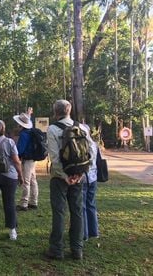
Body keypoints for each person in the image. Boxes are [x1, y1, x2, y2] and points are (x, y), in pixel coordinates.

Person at [45, 99, 94, 260]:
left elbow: (54, 157)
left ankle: (56, 250)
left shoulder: (52, 129)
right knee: (77, 212)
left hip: (59, 177)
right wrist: (79, 175)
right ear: (69, 110)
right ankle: (77, 249)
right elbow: (91, 153)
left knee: (59, 212)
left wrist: (65, 176)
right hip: (78, 176)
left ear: (55, 112)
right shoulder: (81, 127)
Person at [13, 113, 38, 211]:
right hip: (32, 159)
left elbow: (20, 149)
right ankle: (33, 201)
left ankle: (24, 203)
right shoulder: (30, 132)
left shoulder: (24, 134)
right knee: (33, 180)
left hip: (27, 159)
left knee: (26, 181)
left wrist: (17, 156)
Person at [82, 125, 100, 241]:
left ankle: (84, 233)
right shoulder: (94, 144)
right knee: (91, 204)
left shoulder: (82, 145)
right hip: (93, 177)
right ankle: (94, 231)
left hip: (84, 177)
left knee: (82, 206)